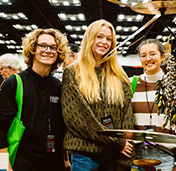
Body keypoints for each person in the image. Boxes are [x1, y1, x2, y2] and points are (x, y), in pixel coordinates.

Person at [61, 19, 134, 171]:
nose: (104, 42)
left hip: (113, 154)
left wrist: (125, 150)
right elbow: (77, 118)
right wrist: (116, 143)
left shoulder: (119, 75)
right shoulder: (72, 73)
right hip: (84, 154)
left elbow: (127, 115)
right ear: (89, 38)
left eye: (109, 39)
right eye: (99, 37)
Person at [0, 28, 70, 171]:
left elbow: (62, 126)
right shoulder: (15, 83)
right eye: (42, 45)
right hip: (22, 163)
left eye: (53, 47)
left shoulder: (59, 86)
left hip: (54, 164)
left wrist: (66, 158)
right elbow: (0, 128)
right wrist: (3, 166)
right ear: (33, 48)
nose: (48, 50)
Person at [131, 39, 176, 171]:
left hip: (165, 155)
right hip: (137, 154)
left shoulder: (174, 85)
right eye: (143, 55)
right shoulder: (131, 84)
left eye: (152, 54)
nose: (148, 59)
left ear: (162, 57)